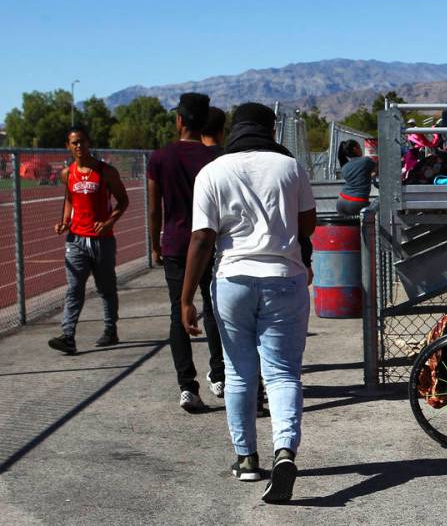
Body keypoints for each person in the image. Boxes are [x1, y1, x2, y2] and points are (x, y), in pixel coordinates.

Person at [181, 102, 316, 502]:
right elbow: (308, 225)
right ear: (270, 129)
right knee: (283, 373)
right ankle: (285, 451)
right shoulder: (289, 167)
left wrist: (185, 297)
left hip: (233, 281)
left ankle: (246, 460)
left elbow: (203, 238)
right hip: (284, 279)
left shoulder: (213, 171)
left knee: (240, 374)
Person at [148, 92, 226, 412]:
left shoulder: (160, 157)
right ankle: (219, 374)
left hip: (177, 244)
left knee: (178, 309)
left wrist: (155, 244)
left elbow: (155, 208)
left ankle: (187, 386)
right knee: (214, 307)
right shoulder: (215, 159)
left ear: (179, 120)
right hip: (211, 242)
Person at [48, 126, 129, 355]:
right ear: (68, 146)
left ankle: (110, 330)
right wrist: (64, 221)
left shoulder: (105, 171)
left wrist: (109, 223)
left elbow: (123, 201)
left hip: (102, 240)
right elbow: (70, 200)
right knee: (74, 288)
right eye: (74, 143)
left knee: (106, 288)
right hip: (76, 240)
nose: (79, 146)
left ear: (89, 143)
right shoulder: (68, 174)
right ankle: (68, 336)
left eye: (82, 141)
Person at [336, 139, 376, 216]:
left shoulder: (344, 167)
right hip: (357, 202)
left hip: (341, 201)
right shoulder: (365, 161)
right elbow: (378, 169)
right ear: (355, 149)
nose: (361, 150)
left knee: (347, 227)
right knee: (377, 213)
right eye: (360, 147)